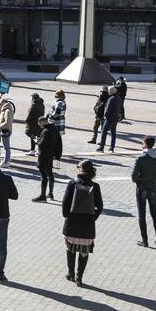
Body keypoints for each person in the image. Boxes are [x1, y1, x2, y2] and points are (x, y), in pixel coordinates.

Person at [61, 159, 103, 287]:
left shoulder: (72, 183)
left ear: (81, 169)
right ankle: (79, 277)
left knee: (71, 249)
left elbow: (65, 203)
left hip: (72, 224)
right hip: (87, 226)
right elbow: (100, 206)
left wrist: (67, 216)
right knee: (84, 252)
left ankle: (71, 273)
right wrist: (92, 218)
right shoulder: (95, 187)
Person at [132, 136, 156, 247]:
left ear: (146, 144)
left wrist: (140, 181)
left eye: (142, 143)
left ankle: (145, 240)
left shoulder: (141, 158)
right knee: (154, 214)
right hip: (153, 189)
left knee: (141, 215)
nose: (142, 145)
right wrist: (155, 180)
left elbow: (133, 177)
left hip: (142, 189)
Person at [33, 116, 60, 201]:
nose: (39, 126)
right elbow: (59, 141)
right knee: (50, 173)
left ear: (42, 122)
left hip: (43, 156)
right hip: (51, 155)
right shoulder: (54, 129)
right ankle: (51, 193)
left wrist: (37, 141)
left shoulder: (45, 131)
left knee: (43, 175)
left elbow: (42, 144)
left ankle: (42, 195)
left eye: (39, 124)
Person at [98, 86, 120, 153]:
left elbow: (107, 109)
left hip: (109, 118)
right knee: (113, 133)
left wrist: (105, 116)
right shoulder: (119, 98)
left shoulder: (111, 98)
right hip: (115, 118)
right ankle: (112, 148)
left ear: (112, 91)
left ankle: (101, 147)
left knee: (104, 132)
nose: (108, 92)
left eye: (109, 91)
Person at [0, 94, 15, 166]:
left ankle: (6, 161)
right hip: (4, 130)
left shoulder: (7, 110)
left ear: (4, 102)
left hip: (5, 130)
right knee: (6, 146)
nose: (0, 105)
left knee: (6, 147)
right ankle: (6, 160)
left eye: (0, 104)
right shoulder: (5, 109)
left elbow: (7, 122)